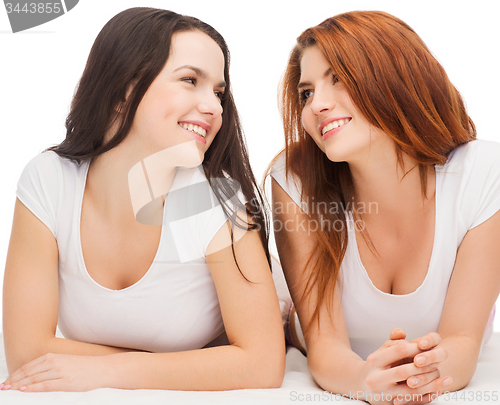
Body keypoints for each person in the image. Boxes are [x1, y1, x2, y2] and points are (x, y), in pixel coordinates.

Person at [2, 7, 285, 392]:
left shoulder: (212, 199)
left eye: (219, 92)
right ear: (122, 91)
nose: (215, 107)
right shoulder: (49, 180)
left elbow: (263, 364)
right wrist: (187, 367)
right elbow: (28, 352)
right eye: (190, 80)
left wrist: (108, 372)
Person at [270, 10, 500, 405]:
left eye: (337, 78)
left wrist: (422, 376)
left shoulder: (482, 174)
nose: (317, 105)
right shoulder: (294, 178)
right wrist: (364, 379)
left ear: (394, 75)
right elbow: (324, 347)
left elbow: (462, 341)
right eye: (307, 92)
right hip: (292, 323)